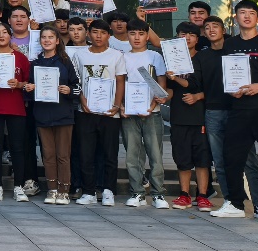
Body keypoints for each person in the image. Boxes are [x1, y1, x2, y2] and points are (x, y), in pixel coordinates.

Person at [200, 14, 258, 214]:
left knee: (250, 161)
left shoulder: (240, 47)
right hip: (218, 111)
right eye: (207, 27)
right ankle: (233, 202)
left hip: (245, 109)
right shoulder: (206, 55)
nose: (212, 30)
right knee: (225, 160)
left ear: (223, 30)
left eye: (215, 26)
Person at [72, 19, 127, 206]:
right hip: (86, 111)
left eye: (103, 33)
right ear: (88, 34)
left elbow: (120, 81)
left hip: (110, 113)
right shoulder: (80, 55)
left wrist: (117, 105)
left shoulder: (116, 56)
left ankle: (108, 190)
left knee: (110, 153)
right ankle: (88, 191)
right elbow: (76, 81)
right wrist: (82, 100)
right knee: (86, 153)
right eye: (95, 32)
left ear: (108, 36)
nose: (98, 36)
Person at [121, 18, 169, 208]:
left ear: (147, 36)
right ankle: (137, 192)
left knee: (155, 154)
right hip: (129, 114)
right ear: (127, 36)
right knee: (132, 155)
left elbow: (161, 83)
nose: (137, 37)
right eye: (132, 33)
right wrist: (121, 106)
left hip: (152, 112)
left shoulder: (155, 56)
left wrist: (154, 103)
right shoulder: (122, 57)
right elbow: (119, 84)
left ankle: (158, 194)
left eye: (141, 34)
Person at [29, 26, 79, 205]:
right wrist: (30, 88)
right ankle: (52, 189)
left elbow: (77, 87)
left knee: (63, 155)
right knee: (48, 154)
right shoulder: (35, 64)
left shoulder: (65, 62)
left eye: (51, 37)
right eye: (44, 37)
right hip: (42, 114)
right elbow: (28, 89)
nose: (47, 40)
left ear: (57, 41)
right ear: (40, 41)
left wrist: (69, 90)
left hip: (63, 114)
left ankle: (64, 190)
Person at [0, 22, 32, 202]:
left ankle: (18, 186)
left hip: (16, 107)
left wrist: (19, 84)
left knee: (17, 147)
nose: (1, 35)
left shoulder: (20, 58)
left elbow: (28, 82)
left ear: (10, 36)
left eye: (5, 32)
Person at [166, 22, 211, 211]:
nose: (187, 38)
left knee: (202, 158)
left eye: (191, 35)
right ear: (177, 37)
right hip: (178, 115)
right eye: (183, 34)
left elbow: (210, 87)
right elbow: (169, 89)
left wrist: (198, 96)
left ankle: (202, 196)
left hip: (200, 116)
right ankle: (184, 194)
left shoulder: (204, 58)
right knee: (182, 157)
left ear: (197, 39)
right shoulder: (170, 59)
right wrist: (163, 95)